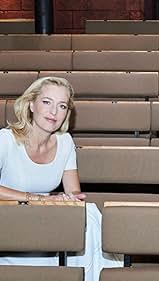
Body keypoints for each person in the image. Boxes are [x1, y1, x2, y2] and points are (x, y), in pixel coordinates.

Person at [0, 77, 123, 281]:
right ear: (31, 104)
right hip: (11, 223)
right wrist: (36, 199)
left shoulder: (65, 142)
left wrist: (69, 199)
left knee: (89, 214)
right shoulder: (6, 139)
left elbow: (74, 192)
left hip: (45, 221)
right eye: (47, 102)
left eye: (62, 106)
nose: (54, 112)